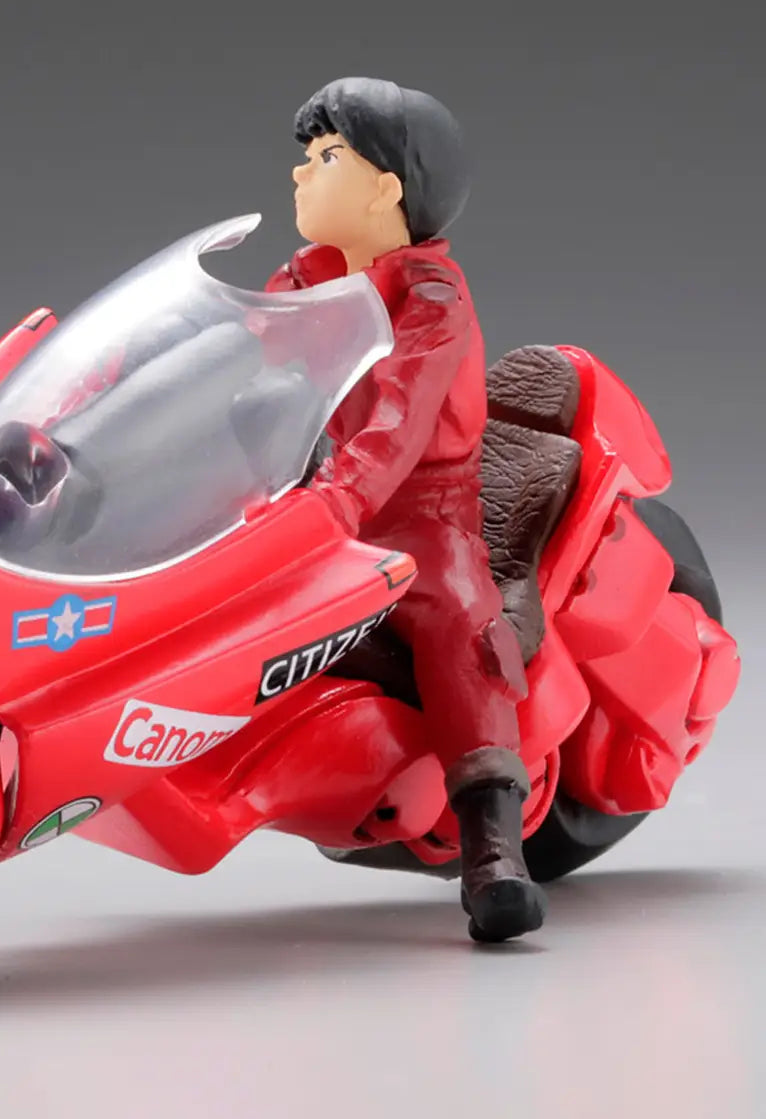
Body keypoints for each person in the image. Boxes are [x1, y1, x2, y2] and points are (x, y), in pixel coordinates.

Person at [266, 76, 547, 942]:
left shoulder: (431, 298)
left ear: (385, 189)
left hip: (421, 512)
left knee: (460, 621)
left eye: (326, 158)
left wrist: (341, 500)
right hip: (320, 495)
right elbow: (233, 360)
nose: (298, 174)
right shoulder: (303, 280)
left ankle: (493, 849)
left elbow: (400, 414)